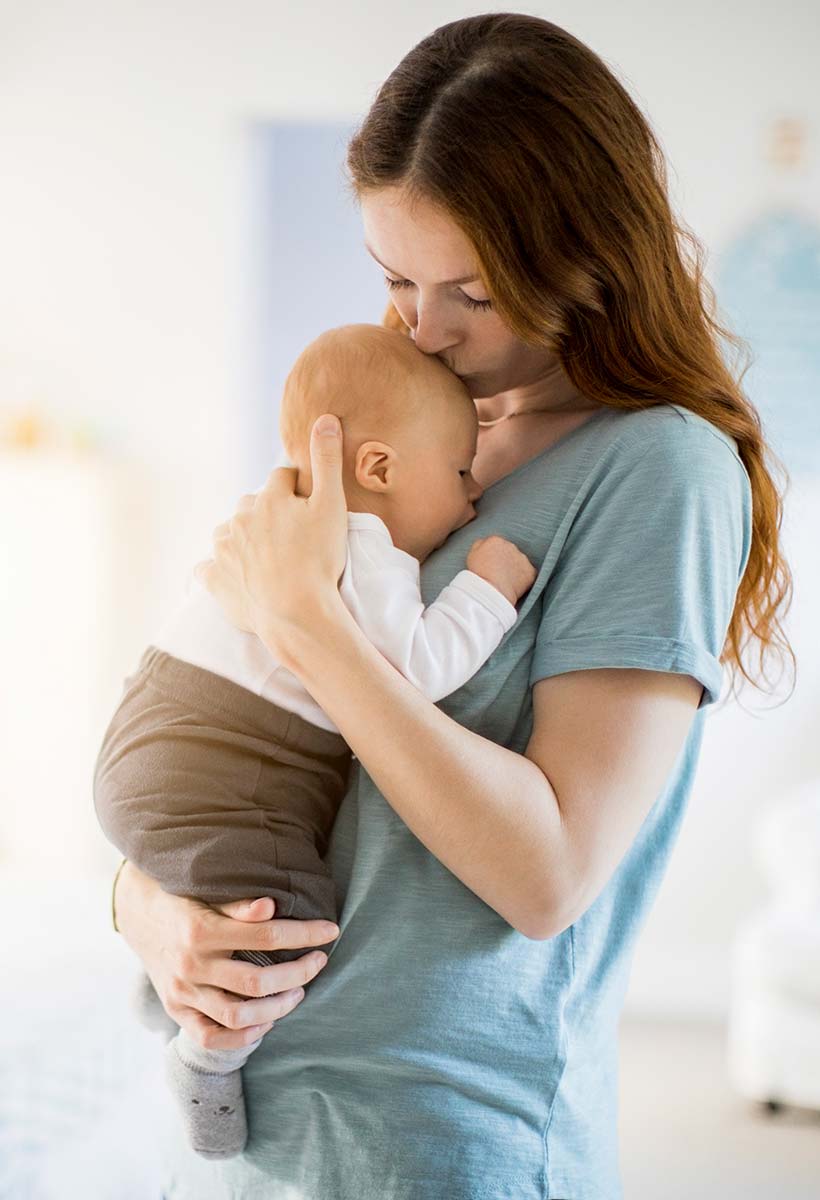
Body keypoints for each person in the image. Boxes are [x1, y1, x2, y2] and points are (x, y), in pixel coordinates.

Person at [112, 14, 793, 1199]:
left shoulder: (659, 469)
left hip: (433, 1144)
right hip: (256, 1131)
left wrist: (313, 628)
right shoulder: (418, 423)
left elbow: (548, 878)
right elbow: (250, 741)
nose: (422, 328)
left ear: (584, 252)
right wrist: (149, 912)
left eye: (469, 291)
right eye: (396, 279)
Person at [93, 323, 535, 1159]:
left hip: (159, 725)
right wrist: (490, 588)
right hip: (224, 758)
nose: (473, 496)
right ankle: (207, 1056)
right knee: (288, 919)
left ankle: (172, 992)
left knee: (233, 894)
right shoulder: (365, 542)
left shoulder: (287, 519)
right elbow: (421, 668)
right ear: (378, 471)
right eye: (461, 473)